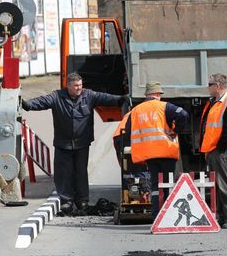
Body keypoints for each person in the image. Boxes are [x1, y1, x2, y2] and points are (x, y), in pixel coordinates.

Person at [22, 72, 128, 215]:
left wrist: (121, 99)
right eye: (76, 85)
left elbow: (104, 98)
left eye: (80, 85)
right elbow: (41, 101)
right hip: (63, 143)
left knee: (81, 173)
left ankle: (82, 201)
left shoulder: (88, 95)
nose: (79, 88)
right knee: (64, 173)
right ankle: (66, 201)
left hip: (82, 143)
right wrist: (26, 104)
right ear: (69, 86)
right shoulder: (57, 97)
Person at [124, 81, 189, 219]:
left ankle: (156, 215)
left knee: (155, 185)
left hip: (149, 154)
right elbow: (183, 114)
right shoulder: (164, 107)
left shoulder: (135, 110)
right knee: (168, 183)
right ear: (158, 94)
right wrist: (176, 130)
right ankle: (169, 215)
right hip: (166, 151)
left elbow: (129, 131)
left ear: (147, 95)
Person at [199, 73, 227, 229]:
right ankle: (223, 217)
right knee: (218, 185)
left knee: (224, 185)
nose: (208, 87)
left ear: (218, 86)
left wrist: (220, 149)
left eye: (210, 85)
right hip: (213, 150)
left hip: (222, 151)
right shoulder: (214, 102)